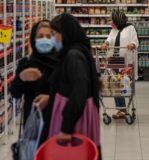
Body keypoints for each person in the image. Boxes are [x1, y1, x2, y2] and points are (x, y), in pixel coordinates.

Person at [37, 13, 102, 159]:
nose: (54, 39)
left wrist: (66, 128)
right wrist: (51, 97)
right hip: (73, 114)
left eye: (55, 34)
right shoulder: (74, 52)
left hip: (74, 121)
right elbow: (69, 85)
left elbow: (79, 91)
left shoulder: (73, 55)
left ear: (65, 33)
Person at [10, 20, 58, 125]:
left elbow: (70, 94)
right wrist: (21, 78)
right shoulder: (26, 63)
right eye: (40, 37)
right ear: (33, 39)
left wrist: (51, 99)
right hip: (32, 125)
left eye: (48, 37)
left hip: (56, 123)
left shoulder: (62, 63)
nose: (44, 40)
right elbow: (15, 93)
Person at [101, 9, 139, 119]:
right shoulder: (114, 29)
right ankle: (121, 109)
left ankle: (123, 108)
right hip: (114, 60)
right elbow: (109, 39)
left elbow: (135, 41)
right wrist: (105, 43)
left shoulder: (130, 28)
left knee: (124, 84)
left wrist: (132, 44)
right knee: (115, 83)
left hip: (126, 61)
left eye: (112, 19)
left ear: (118, 19)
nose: (110, 22)